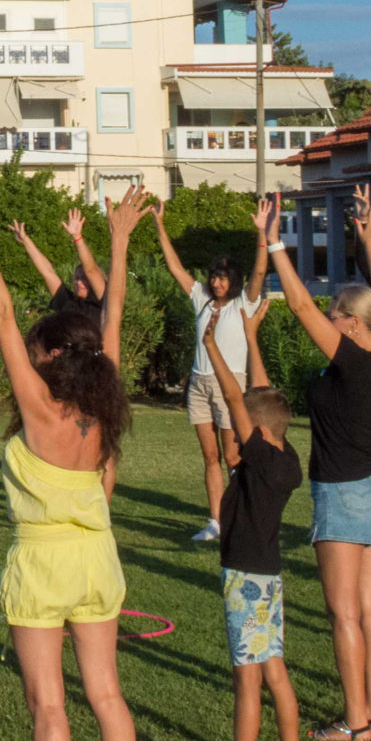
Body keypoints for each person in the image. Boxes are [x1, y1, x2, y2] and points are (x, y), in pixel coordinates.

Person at [0, 179, 143, 741]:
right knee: (106, 692)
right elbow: (116, 309)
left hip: (42, 565)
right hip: (99, 559)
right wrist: (120, 239)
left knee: (48, 704)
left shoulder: (41, 412)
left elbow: (4, 315)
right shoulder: (104, 402)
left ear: (49, 358)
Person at [262, 189, 371, 741]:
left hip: (343, 495)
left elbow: (296, 306)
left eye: (335, 313)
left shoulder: (353, 362)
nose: (326, 316)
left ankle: (355, 720)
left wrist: (275, 242)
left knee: (344, 615)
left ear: (350, 324)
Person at [198, 298, 302, 741]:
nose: (232, 444)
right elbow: (260, 399)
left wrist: (212, 345)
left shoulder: (257, 459)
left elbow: (238, 398)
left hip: (245, 579)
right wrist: (252, 336)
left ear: (256, 435)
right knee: (275, 671)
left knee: (247, 680)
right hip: (271, 576)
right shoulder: (286, 458)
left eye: (240, 437)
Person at [151, 204, 269, 545]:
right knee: (210, 457)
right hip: (199, 383)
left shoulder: (242, 303)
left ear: (233, 281)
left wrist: (262, 232)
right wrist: (160, 224)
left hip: (229, 385)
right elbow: (174, 267)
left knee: (233, 456)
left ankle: (241, 516)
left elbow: (260, 273)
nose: (217, 282)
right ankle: (216, 520)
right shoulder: (201, 299)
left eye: (223, 277)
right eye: (214, 276)